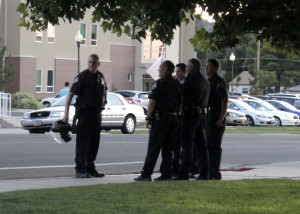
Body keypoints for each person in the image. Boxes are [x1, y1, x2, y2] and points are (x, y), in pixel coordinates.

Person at [134, 60, 182, 181]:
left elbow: (152, 101)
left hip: (161, 119)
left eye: (160, 68)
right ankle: (166, 174)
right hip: (174, 118)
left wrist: (148, 117)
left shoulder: (159, 83)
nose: (159, 70)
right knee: (168, 149)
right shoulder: (177, 84)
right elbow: (181, 102)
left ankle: (146, 174)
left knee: (154, 147)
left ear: (166, 69)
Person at [62, 54, 107, 178]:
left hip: (96, 114)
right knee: (83, 142)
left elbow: (105, 90)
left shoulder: (100, 77)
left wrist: (105, 100)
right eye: (89, 62)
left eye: (94, 62)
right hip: (84, 114)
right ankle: (80, 169)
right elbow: (70, 95)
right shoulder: (82, 77)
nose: (91, 64)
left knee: (94, 142)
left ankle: (90, 167)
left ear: (99, 64)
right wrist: (65, 114)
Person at [175, 58, 210, 180]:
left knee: (187, 145)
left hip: (190, 114)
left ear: (193, 67)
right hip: (201, 115)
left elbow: (180, 94)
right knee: (201, 145)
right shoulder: (205, 80)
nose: (186, 69)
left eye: (188, 66)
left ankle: (183, 173)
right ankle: (204, 172)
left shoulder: (190, 79)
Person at [206, 58, 228, 180]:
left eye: (209, 66)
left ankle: (214, 172)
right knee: (209, 144)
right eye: (206, 66)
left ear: (215, 68)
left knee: (214, 145)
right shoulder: (209, 80)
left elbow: (224, 99)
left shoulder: (218, 81)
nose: (206, 68)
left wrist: (221, 117)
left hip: (216, 116)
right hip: (208, 115)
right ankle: (210, 170)